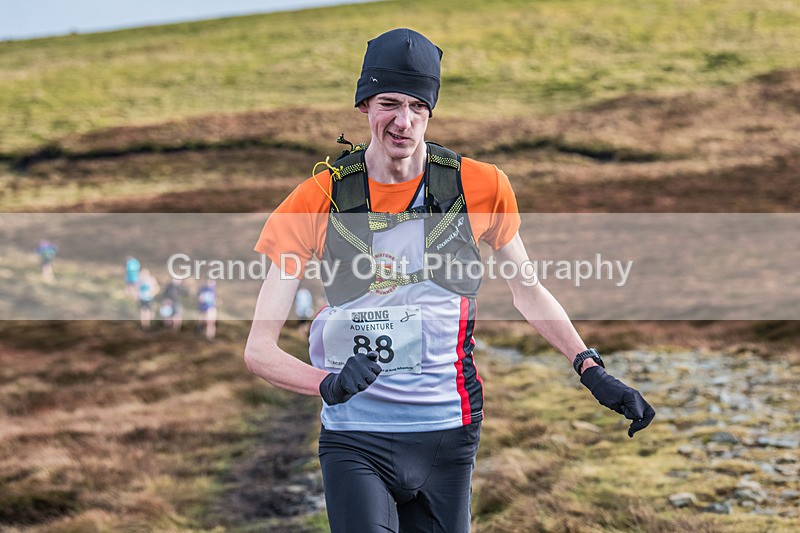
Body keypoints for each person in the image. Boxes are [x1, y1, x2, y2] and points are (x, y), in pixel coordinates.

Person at [244, 28, 655, 533]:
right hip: (356, 437)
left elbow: (527, 290)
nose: (402, 121)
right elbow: (258, 350)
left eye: (418, 106)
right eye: (389, 103)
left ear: (432, 111)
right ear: (364, 105)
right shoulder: (316, 198)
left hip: (449, 434)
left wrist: (590, 368)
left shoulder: (480, 186)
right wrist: (326, 384)